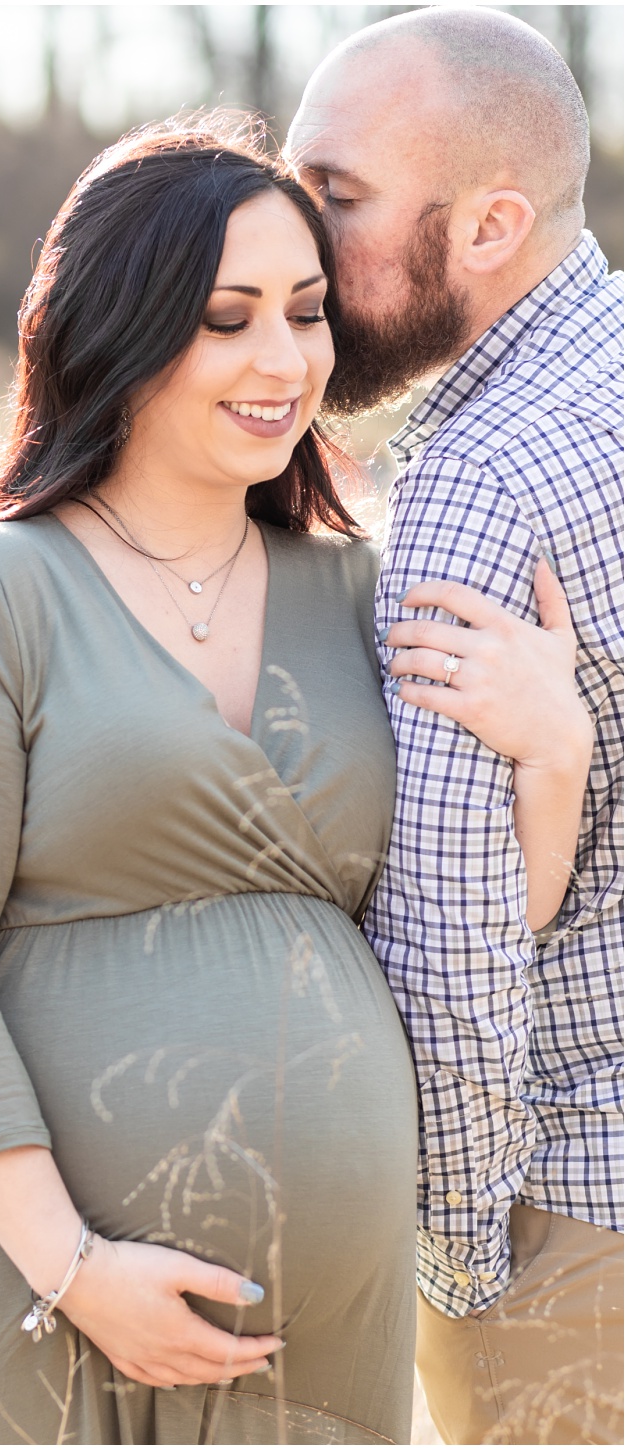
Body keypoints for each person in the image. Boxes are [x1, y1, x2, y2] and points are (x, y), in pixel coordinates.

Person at [0, 118, 584, 1446]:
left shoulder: (362, 592)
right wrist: (75, 1268)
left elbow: (480, 931)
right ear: (119, 328)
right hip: (7, 1301)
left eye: (306, 312)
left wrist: (552, 749)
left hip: (310, 1338)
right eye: (227, 319)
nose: (282, 362)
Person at [290, 10, 622, 1444]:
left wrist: (459, 1255)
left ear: (489, 225)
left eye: (339, 198)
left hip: (558, 1215)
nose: (298, 248)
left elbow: (452, 935)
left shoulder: (477, 482)